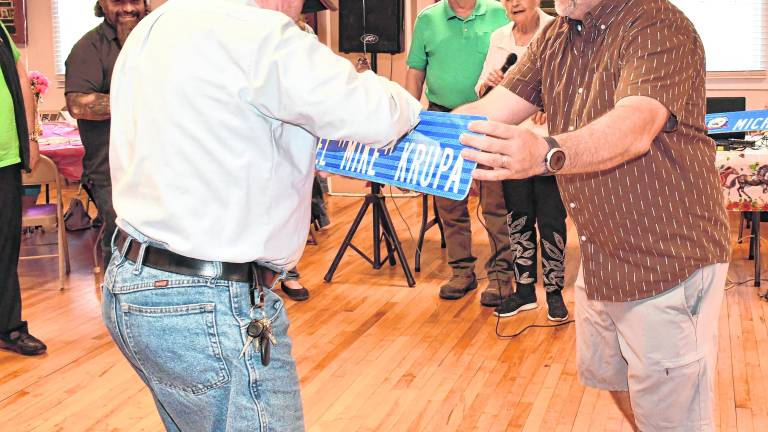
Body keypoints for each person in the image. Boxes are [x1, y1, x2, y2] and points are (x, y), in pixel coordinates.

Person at [103, 0, 421, 430]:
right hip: (207, 298)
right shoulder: (259, 34)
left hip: (134, 280)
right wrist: (395, 94)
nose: (301, 15)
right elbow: (377, 116)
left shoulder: (157, 24)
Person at [454, 0, 730, 429]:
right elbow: (489, 113)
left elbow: (634, 127)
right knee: (616, 379)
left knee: (673, 417)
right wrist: (397, 128)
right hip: (602, 256)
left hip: (668, 260)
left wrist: (546, 151)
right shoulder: (558, 34)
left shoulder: (656, 24)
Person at [405, 0, 513, 307]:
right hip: (442, 120)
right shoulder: (427, 19)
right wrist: (409, 122)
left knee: (495, 202)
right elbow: (415, 73)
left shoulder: (498, 12)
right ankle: (461, 272)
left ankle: (501, 276)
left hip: (490, 119)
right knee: (449, 202)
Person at [475, 0, 568, 321]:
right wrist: (488, 87)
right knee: (518, 218)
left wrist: (546, 100)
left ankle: (554, 293)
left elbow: (573, 86)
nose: (514, 3)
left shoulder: (558, 30)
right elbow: (482, 86)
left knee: (552, 220)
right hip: (509, 145)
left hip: (546, 145)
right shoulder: (499, 37)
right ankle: (524, 291)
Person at [64, 0, 148, 270]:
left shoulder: (155, 41)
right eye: (117, 2)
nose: (128, 8)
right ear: (101, 3)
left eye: (134, 0)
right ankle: (117, 308)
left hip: (157, 167)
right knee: (121, 248)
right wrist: (145, 101)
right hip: (111, 172)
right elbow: (78, 104)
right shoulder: (88, 48)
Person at [0, 21, 46, 356]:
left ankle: (9, 327)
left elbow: (19, 77)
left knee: (5, 245)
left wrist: (30, 136)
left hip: (5, 156)